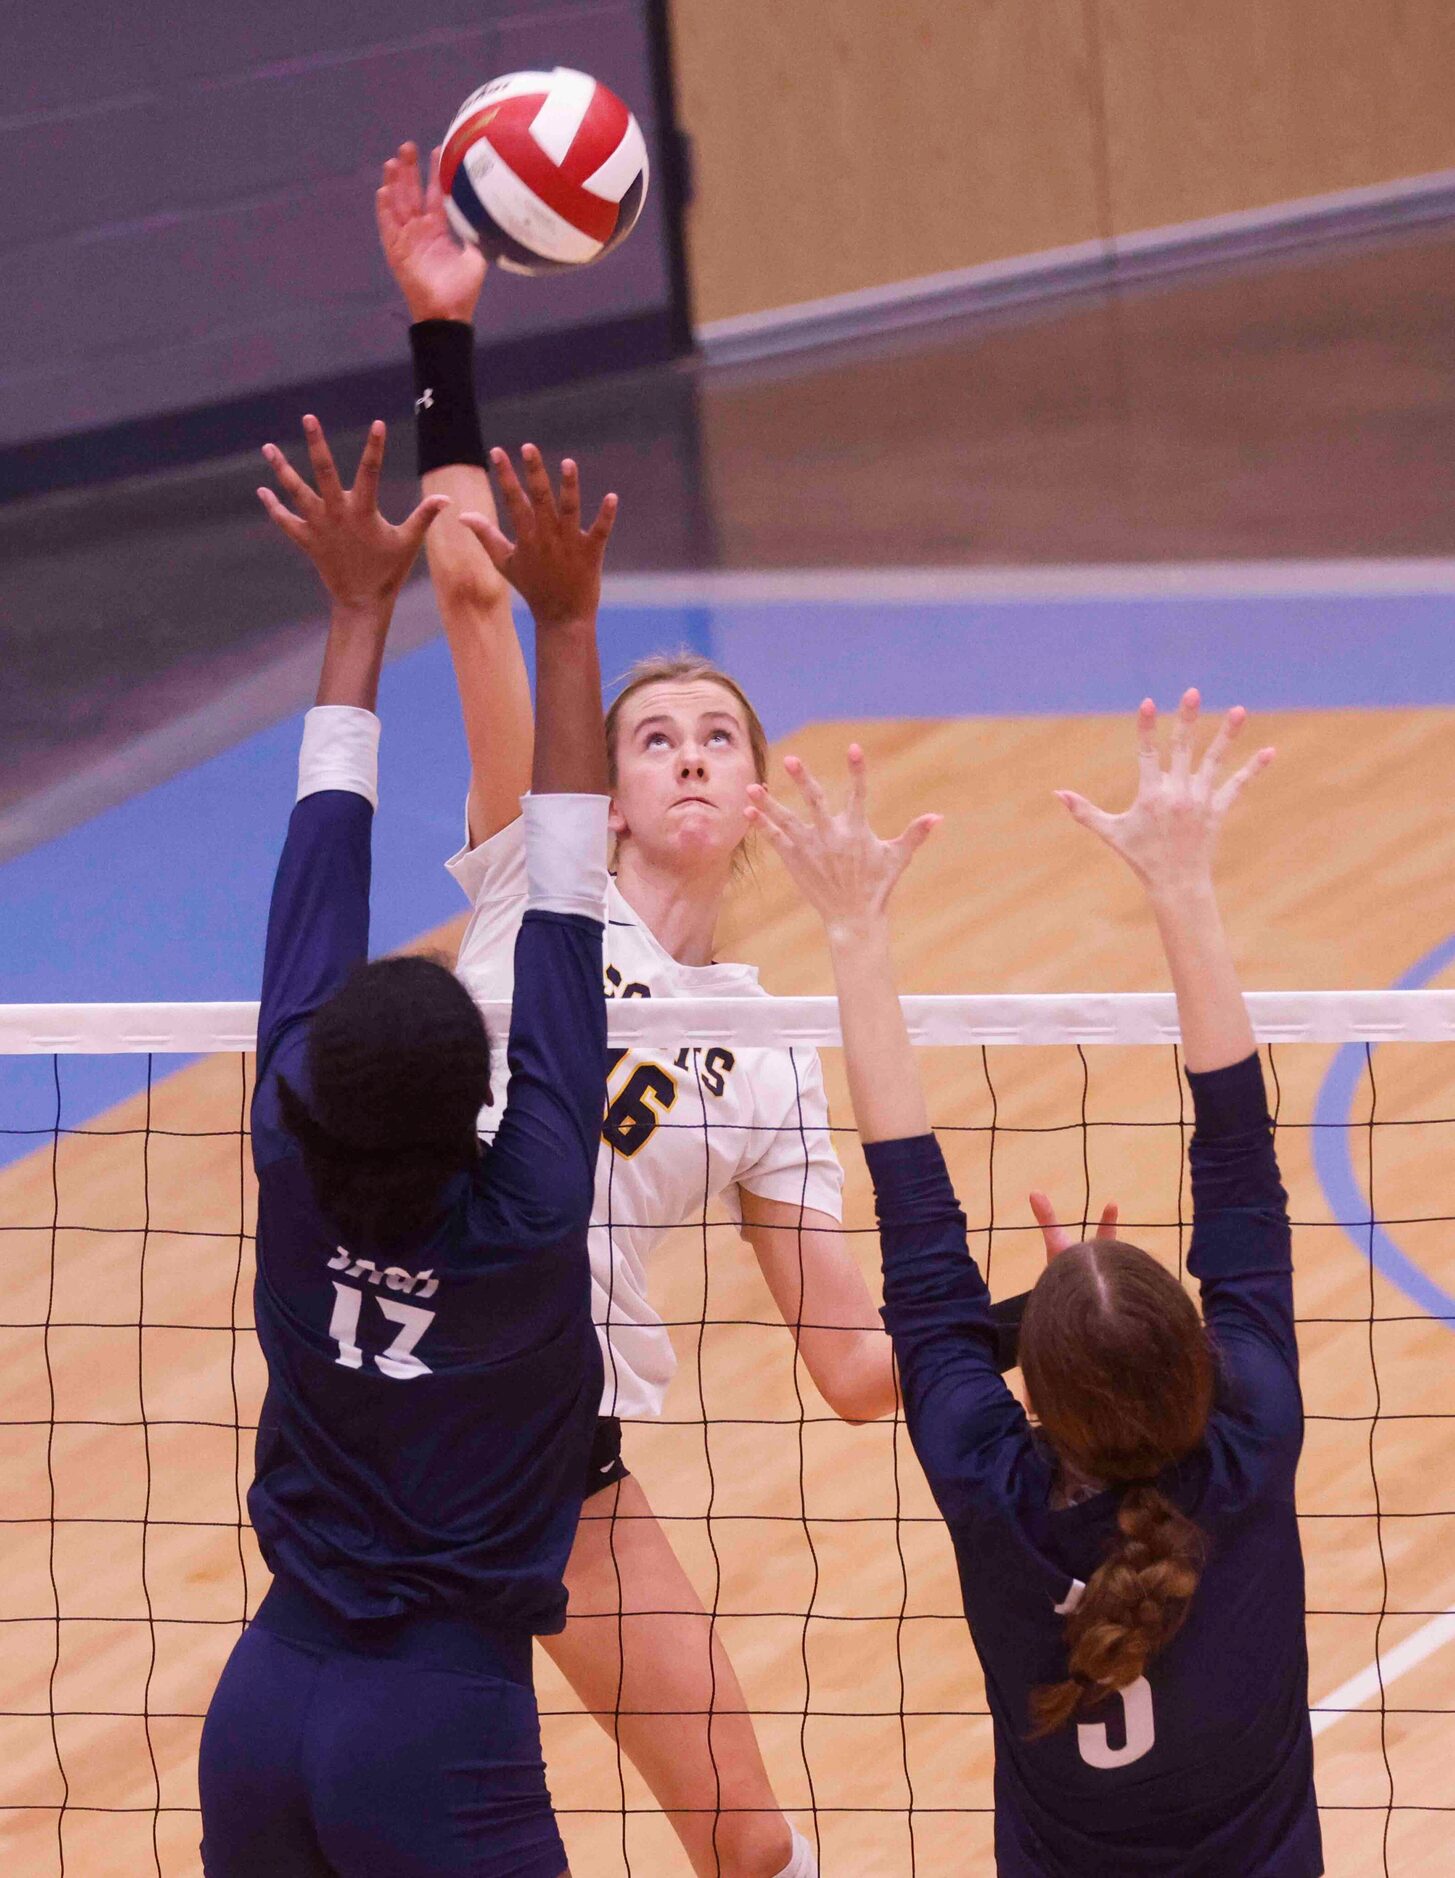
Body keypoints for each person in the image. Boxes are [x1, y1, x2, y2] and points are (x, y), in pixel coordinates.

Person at [375, 140, 893, 1878]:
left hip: (562, 1454)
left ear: (756, 794)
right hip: (391, 1409)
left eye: (716, 737)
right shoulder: (542, 862)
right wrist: (445, 338)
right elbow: (465, 583)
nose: (678, 751)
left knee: (754, 1838)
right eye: (651, 728)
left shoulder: (767, 1047)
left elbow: (850, 1362)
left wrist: (1058, 1319)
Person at [749, 691, 1322, 1875]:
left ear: (1041, 1402)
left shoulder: (994, 1486)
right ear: (1199, 1365)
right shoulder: (1252, 1434)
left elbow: (916, 1228)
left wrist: (853, 933)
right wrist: (1185, 883)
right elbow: (1243, 1169)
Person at [197, 414, 618, 1878]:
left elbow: (322, 858)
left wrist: (353, 607)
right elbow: (569, 898)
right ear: (476, 1109)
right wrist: (566, 626)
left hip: (261, 1709)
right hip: (441, 1738)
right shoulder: (526, 1214)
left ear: (319, 1083)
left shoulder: (288, 1151)